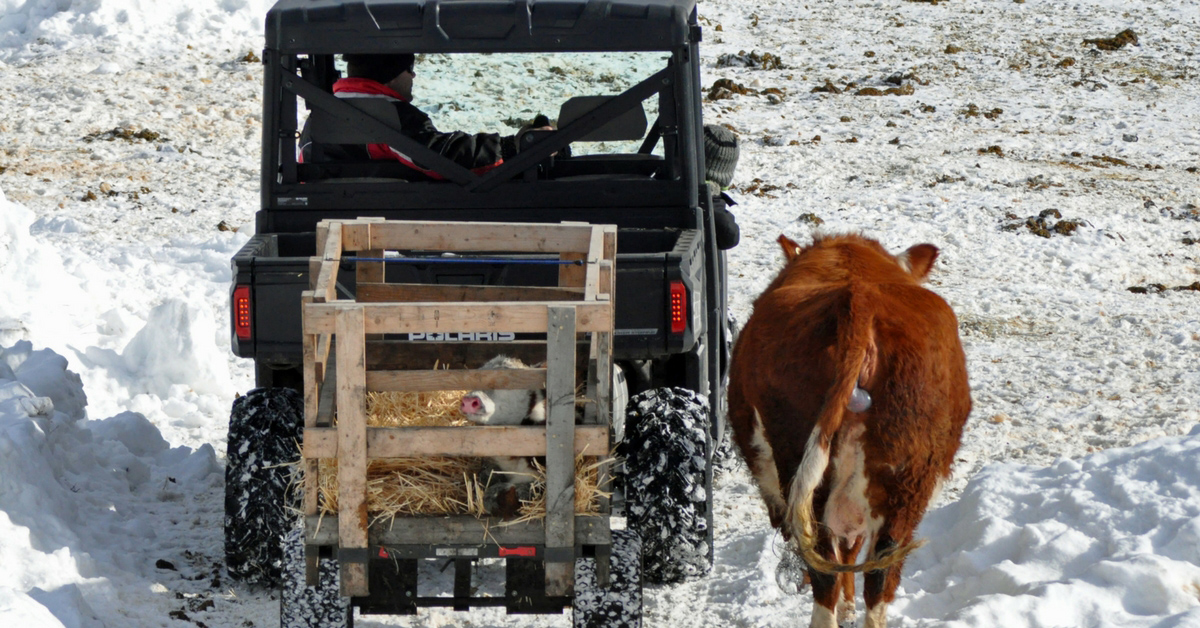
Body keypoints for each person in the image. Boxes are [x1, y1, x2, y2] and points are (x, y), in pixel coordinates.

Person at [301, 53, 543, 180]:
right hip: (388, 224)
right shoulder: (390, 114)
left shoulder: (320, 116)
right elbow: (440, 159)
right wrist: (513, 147)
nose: (413, 77)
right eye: (410, 69)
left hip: (336, 218)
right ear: (393, 74)